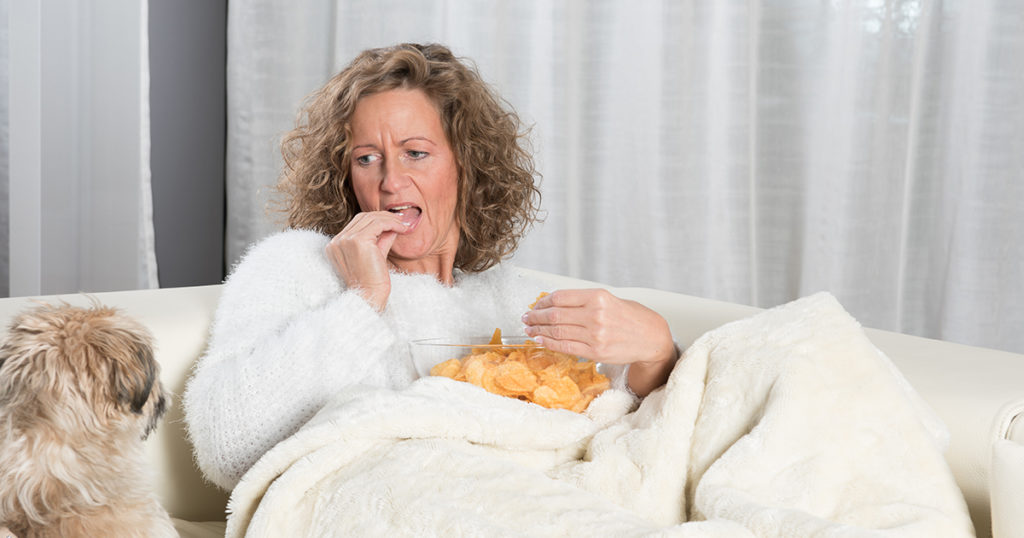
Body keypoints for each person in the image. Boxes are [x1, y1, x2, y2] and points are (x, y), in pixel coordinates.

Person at [183, 43, 678, 492]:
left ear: (468, 164)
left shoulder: (508, 299)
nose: (390, 181)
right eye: (366, 158)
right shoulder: (298, 264)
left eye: (415, 153)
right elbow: (227, 450)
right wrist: (362, 302)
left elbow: (611, 434)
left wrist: (654, 350)